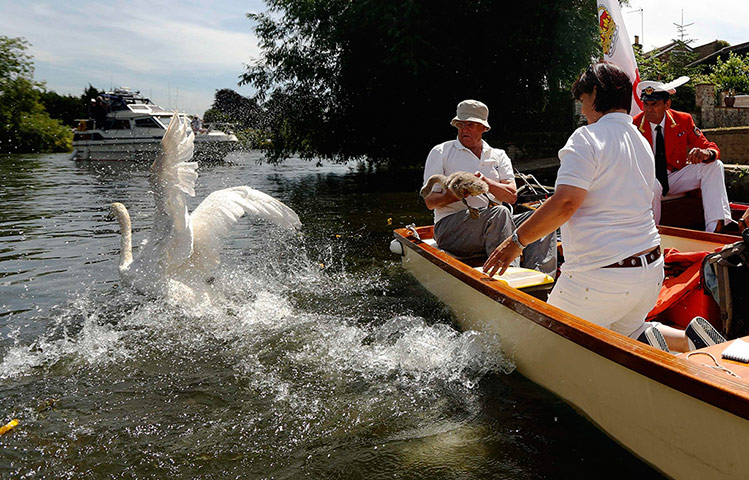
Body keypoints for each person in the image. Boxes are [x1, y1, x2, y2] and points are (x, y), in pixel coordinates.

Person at [483, 62, 724, 353]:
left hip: (598, 279)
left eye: (583, 102)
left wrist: (515, 242)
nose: (583, 112)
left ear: (595, 93)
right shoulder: (640, 140)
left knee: (542, 345)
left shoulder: (586, 137)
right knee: (629, 328)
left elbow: (565, 203)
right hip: (649, 273)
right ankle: (686, 340)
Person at [422, 99, 556, 277]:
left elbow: (511, 197)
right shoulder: (441, 152)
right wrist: (459, 193)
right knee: (499, 213)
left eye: (470, 125)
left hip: (494, 223)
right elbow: (430, 202)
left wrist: (486, 183)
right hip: (450, 230)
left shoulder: (498, 155)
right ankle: (509, 276)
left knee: (543, 216)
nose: (464, 130)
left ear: (483, 128)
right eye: (460, 125)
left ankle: (541, 279)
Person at [633, 79, 731, 232]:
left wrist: (706, 153)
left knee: (715, 165)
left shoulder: (683, 120)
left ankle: (715, 228)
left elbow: (708, 146)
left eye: (654, 104)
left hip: (675, 177)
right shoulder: (634, 126)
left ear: (667, 105)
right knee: (653, 185)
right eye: (646, 104)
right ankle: (650, 234)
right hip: (649, 180)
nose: (648, 110)